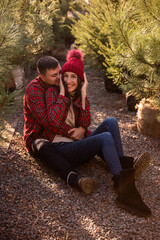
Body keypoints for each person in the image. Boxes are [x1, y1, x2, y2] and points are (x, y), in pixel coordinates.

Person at [44, 49, 151, 217]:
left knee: (111, 121)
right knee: (105, 137)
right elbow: (53, 121)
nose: (68, 80)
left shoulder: (80, 95)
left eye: (73, 76)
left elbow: (85, 123)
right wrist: (63, 95)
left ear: (80, 79)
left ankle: (121, 167)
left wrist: (84, 95)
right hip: (63, 150)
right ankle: (124, 190)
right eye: (65, 76)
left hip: (78, 145)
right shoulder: (53, 93)